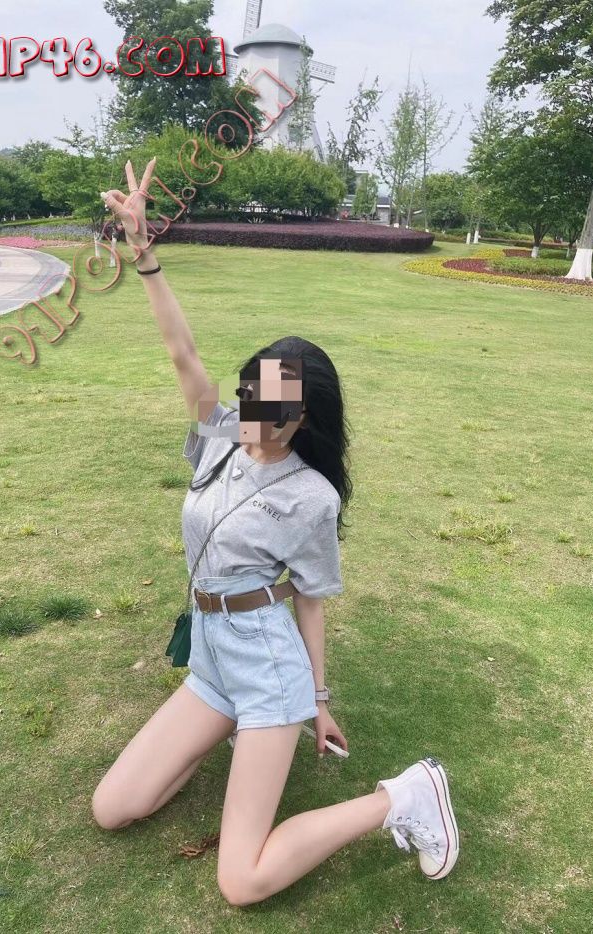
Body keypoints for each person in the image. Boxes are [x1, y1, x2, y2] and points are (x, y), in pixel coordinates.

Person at [91, 159, 459, 906]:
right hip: (212, 659)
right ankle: (226, 738)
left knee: (242, 880)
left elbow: (310, 599)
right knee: (114, 807)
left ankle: (407, 795)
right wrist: (145, 255)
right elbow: (182, 354)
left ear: (304, 415)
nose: (257, 413)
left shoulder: (311, 496)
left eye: (276, 404)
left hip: (267, 671)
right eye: (251, 392)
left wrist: (315, 699)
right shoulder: (219, 435)